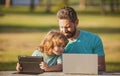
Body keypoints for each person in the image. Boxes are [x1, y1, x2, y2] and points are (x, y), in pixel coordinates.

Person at [57, 6, 106, 71]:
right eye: (61, 27)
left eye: (67, 27)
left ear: (76, 22)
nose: (64, 31)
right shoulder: (55, 41)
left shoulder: (94, 39)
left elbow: (101, 66)